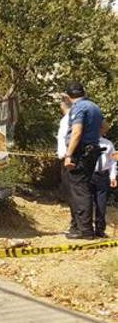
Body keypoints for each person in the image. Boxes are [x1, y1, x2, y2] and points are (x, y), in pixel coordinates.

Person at [64, 82, 104, 239]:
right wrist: (93, 137)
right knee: (84, 187)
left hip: (81, 152)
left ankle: (85, 230)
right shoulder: (94, 106)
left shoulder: (79, 108)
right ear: (84, 92)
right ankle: (84, 228)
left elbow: (77, 132)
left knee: (80, 190)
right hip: (92, 150)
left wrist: (69, 155)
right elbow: (104, 126)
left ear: (68, 96)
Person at [56, 95, 77, 235]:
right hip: (66, 159)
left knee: (74, 193)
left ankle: (77, 224)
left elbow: (73, 137)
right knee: (70, 193)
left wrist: (69, 155)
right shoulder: (68, 119)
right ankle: (75, 222)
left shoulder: (72, 118)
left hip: (71, 159)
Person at [92, 124, 116, 238]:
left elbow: (113, 162)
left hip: (103, 176)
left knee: (101, 204)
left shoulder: (109, 144)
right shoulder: (86, 142)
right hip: (89, 175)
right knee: (86, 203)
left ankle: (100, 230)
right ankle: (85, 229)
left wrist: (113, 177)